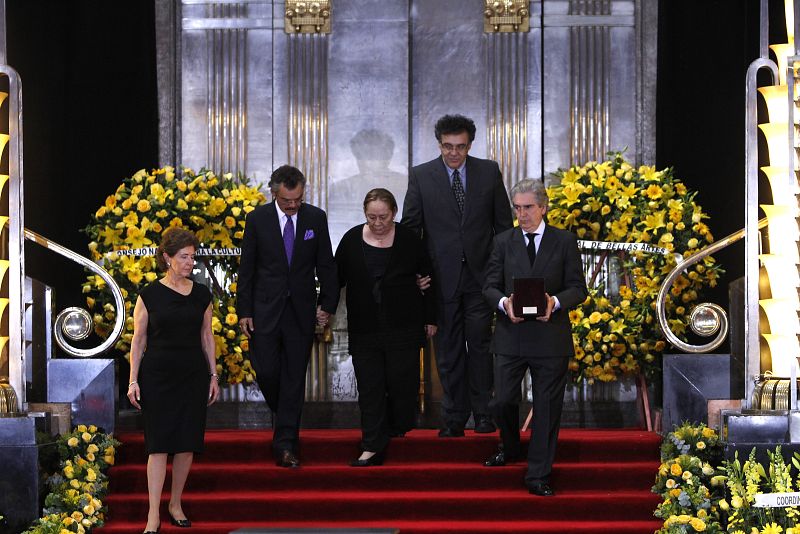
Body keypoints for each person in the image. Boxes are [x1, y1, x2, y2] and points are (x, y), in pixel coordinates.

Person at [401, 114, 513, 437]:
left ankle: (483, 415)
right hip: (440, 280)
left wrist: (501, 275)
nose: (454, 153)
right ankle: (452, 417)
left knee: (480, 347)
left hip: (482, 279)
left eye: (460, 147)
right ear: (439, 144)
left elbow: (503, 228)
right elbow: (411, 229)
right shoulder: (421, 176)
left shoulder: (489, 171)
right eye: (448, 146)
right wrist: (418, 274)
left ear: (470, 145)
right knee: (448, 351)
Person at [482, 179, 588, 497]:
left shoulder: (564, 241)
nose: (522, 214)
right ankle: (512, 446)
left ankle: (537, 475)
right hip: (510, 335)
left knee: (546, 408)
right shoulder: (502, 241)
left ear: (543, 207)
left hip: (549, 338)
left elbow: (578, 289)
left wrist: (555, 302)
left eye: (528, 207)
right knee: (501, 401)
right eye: (517, 207)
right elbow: (489, 286)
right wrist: (505, 303)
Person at [236, 164, 339, 468]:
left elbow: (327, 265)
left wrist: (327, 305)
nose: (293, 206)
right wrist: (245, 311)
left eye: (297, 200)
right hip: (265, 312)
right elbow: (248, 269)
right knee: (267, 371)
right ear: (274, 193)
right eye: (287, 201)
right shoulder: (257, 220)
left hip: (300, 313)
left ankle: (285, 445)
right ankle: (286, 417)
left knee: (294, 379)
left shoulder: (315, 219)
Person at [335, 188, 437, 466]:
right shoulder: (351, 240)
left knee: (402, 384)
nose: (378, 223)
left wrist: (431, 318)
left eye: (383, 217)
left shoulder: (408, 239)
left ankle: (394, 426)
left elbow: (428, 278)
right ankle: (372, 444)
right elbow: (335, 279)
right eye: (371, 217)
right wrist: (324, 309)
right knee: (370, 387)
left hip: (403, 325)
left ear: (394, 213)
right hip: (364, 327)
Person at [127, 227, 220, 533]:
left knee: (186, 443)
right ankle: (153, 514)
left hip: (192, 374)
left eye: (192, 257)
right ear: (167, 258)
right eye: (183, 257)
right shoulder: (149, 294)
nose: (189, 263)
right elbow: (138, 341)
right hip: (157, 376)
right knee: (158, 444)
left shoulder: (202, 293)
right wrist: (133, 380)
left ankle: (175, 503)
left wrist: (213, 374)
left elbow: (207, 336)